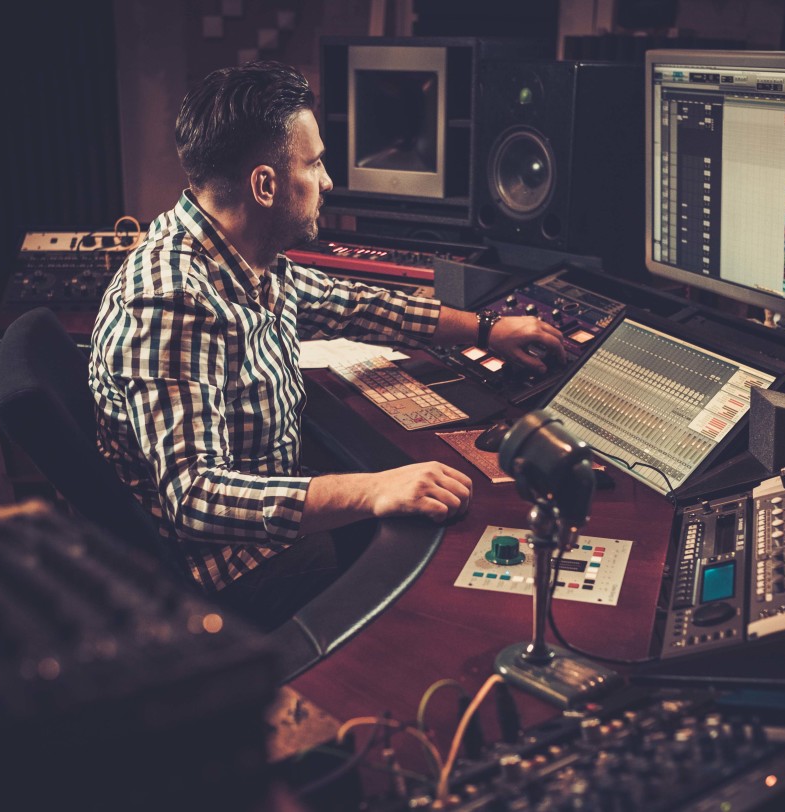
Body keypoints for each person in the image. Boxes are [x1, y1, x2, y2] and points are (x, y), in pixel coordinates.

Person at [89, 60, 565, 628]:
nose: (329, 181)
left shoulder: (238, 255)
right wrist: (372, 490)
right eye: (314, 163)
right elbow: (197, 499)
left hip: (261, 527)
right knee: (446, 590)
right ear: (265, 185)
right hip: (231, 572)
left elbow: (352, 303)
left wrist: (485, 329)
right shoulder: (172, 303)